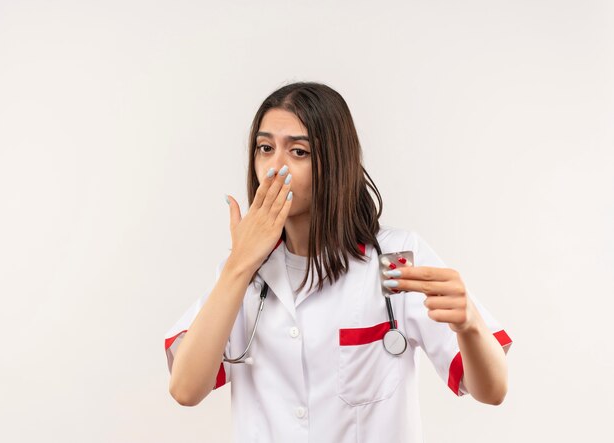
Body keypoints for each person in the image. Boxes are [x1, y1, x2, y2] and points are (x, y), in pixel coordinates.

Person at [164, 82, 512, 442]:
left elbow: (491, 390)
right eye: (265, 148)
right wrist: (239, 265)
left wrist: (469, 324)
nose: (274, 168)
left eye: (298, 152)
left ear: (335, 162)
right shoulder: (241, 274)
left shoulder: (392, 261)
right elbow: (186, 390)